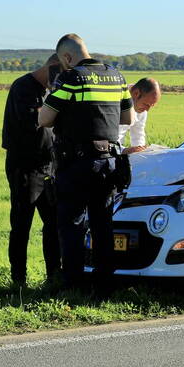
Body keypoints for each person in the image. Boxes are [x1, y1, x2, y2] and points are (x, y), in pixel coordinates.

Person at [38, 34, 133, 292]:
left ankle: (73, 285)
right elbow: (128, 118)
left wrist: (53, 100)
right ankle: (104, 285)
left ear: (67, 57)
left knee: (72, 226)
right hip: (109, 163)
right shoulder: (116, 76)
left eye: (62, 61)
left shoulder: (70, 78)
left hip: (77, 163)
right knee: (103, 225)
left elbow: (45, 120)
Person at [2, 54, 62, 287]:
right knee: (22, 225)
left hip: (50, 165)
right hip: (24, 166)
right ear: (51, 67)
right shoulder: (23, 87)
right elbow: (36, 122)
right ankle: (19, 280)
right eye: (59, 76)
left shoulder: (52, 90)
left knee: (54, 223)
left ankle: (53, 276)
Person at [117, 77, 162, 154]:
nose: (147, 110)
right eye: (146, 104)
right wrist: (123, 150)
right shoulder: (115, 102)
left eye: (151, 106)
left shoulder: (140, 105)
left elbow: (138, 134)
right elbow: (106, 138)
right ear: (136, 93)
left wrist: (141, 151)